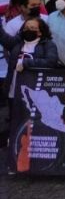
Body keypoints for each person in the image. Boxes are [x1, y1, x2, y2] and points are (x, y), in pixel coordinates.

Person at [0, 15, 58, 143]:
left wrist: (27, 63)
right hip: (14, 89)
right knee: (15, 119)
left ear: (40, 31)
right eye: (26, 27)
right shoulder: (17, 43)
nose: (28, 30)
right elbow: (3, 38)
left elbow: (51, 61)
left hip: (35, 92)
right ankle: (15, 150)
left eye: (32, 28)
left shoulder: (47, 45)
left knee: (34, 121)